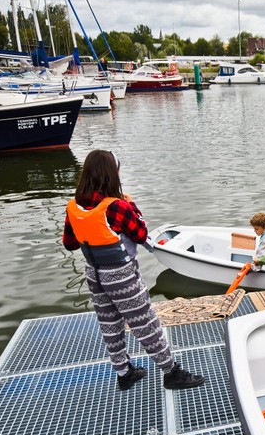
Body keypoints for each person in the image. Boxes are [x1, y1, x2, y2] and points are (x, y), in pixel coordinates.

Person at [62, 150, 205, 391]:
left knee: (109, 323)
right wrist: (131, 204)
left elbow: (70, 243)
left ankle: (124, 372)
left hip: (93, 274)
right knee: (145, 323)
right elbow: (140, 234)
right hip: (120, 275)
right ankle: (171, 372)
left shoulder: (74, 206)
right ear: (112, 174)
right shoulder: (117, 207)